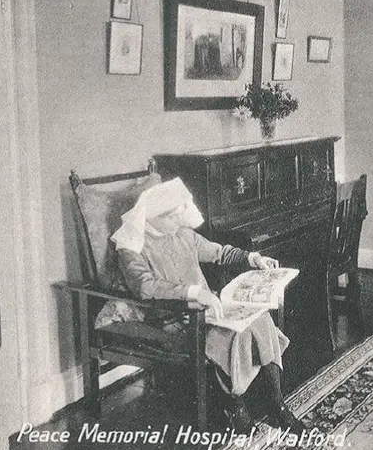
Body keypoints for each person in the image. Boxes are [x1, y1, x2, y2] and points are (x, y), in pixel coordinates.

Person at [111, 177, 304, 433]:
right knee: (229, 336)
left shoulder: (183, 234)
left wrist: (252, 257)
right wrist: (193, 292)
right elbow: (144, 286)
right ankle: (234, 406)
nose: (179, 222)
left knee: (260, 320)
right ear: (152, 217)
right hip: (173, 319)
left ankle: (277, 405)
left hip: (208, 308)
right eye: (173, 217)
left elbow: (219, 252)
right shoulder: (131, 247)